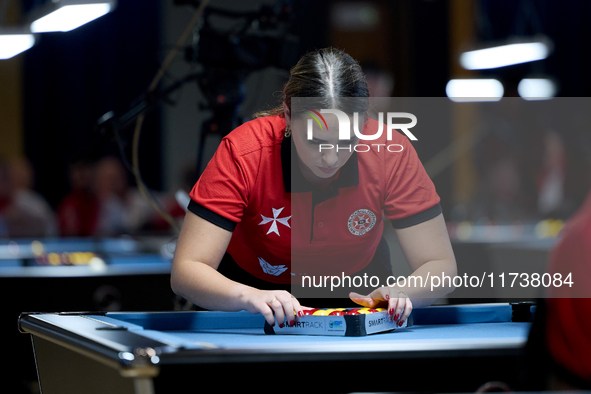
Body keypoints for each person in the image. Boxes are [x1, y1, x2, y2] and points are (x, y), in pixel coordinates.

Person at [171, 48, 457, 328]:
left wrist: (404, 292)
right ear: (287, 113)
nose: (331, 159)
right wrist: (249, 296)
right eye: (316, 141)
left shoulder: (390, 152)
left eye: (347, 141)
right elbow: (187, 270)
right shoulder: (244, 152)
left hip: (358, 293)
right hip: (251, 291)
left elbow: (441, 265)